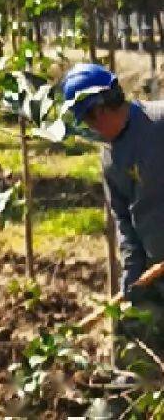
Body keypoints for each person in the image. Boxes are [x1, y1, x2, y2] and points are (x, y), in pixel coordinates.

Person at [63, 63, 164, 349]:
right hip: (156, 270)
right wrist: (132, 277)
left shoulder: (159, 123)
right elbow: (125, 222)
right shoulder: (110, 160)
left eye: (90, 118)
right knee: (133, 345)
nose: (91, 127)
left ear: (103, 108)